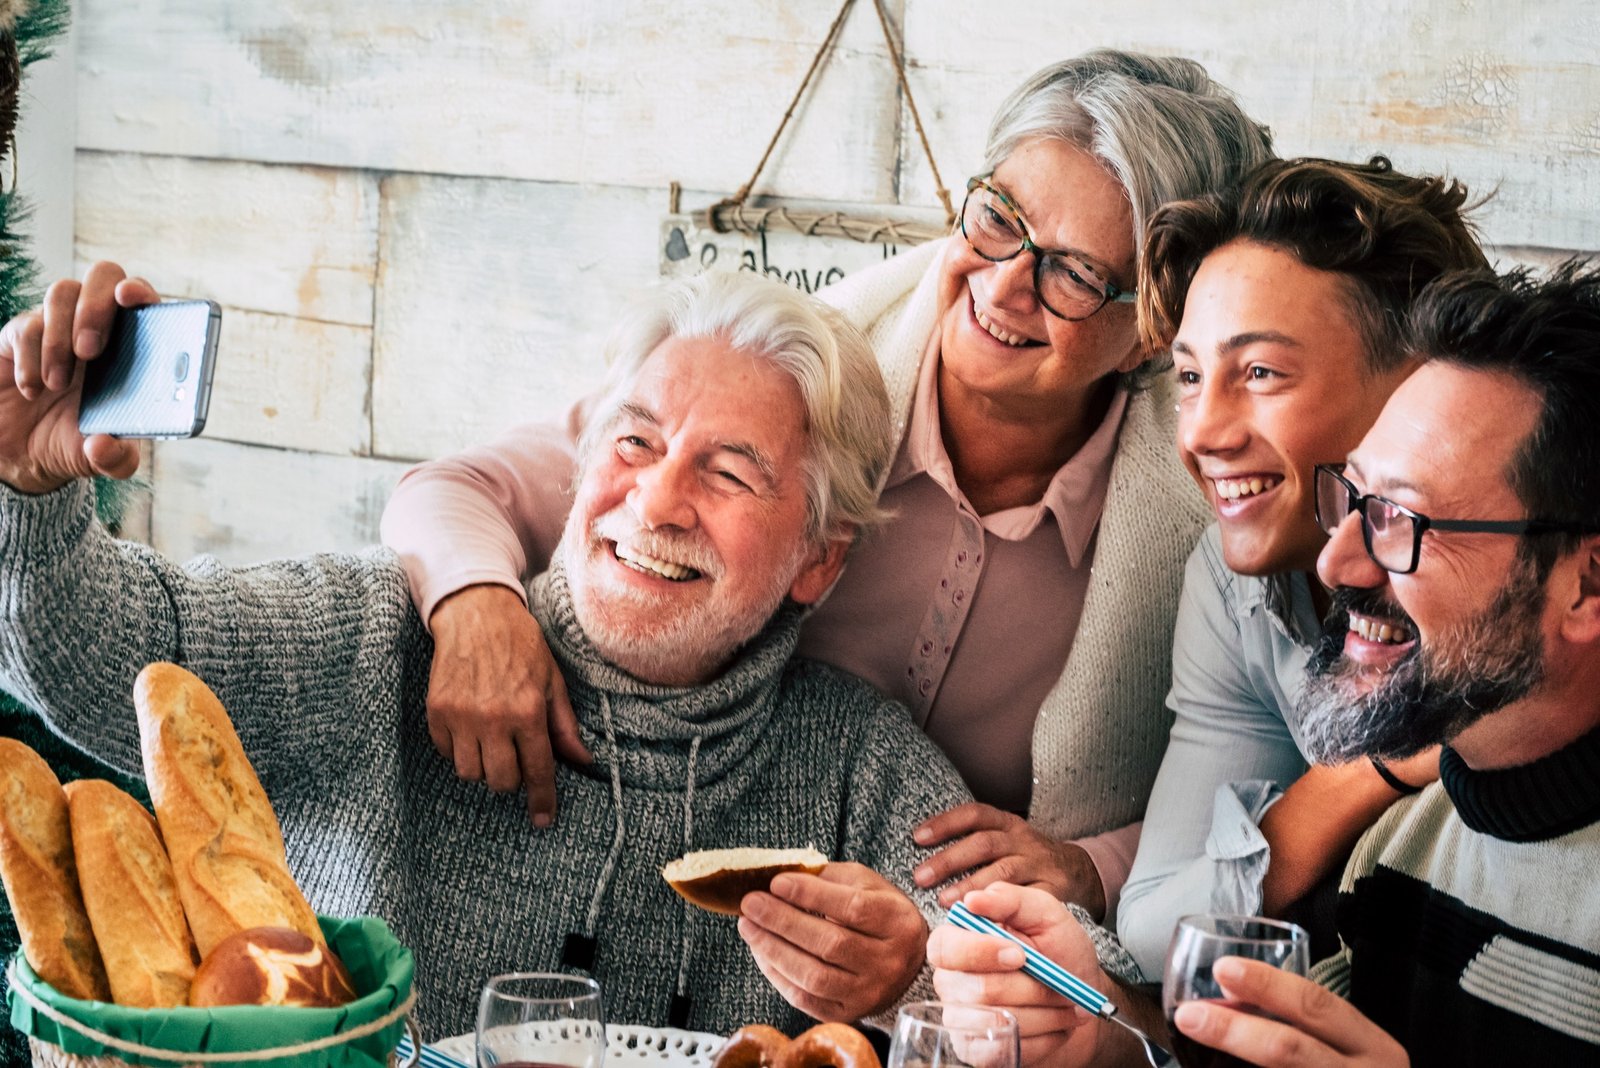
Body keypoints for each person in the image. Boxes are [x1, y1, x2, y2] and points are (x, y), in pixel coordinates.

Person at [379, 50, 1276, 926]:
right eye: (998, 217)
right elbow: (462, 489)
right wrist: (478, 605)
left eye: (1075, 273)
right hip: (694, 921)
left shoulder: (1210, 510)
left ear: (1158, 329)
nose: (1003, 286)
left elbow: (1260, 784)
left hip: (967, 972)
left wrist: (1096, 867)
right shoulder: (801, 373)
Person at [0, 268, 975, 1039]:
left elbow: (1059, 983)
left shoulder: (855, 763)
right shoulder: (376, 637)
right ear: (584, 459)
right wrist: (24, 487)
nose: (658, 503)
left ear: (818, 558)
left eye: (727, 473)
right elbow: (104, 655)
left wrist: (913, 978)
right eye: (635, 443)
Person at [926, 262, 1600, 1067]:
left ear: (1586, 583)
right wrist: (1102, 1033)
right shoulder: (1395, 853)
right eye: (1351, 501)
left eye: (1402, 522)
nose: (1337, 566)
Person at [1114, 156, 1489, 976]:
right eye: (1188, 376)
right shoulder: (1234, 580)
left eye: (1258, 373)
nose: (1203, 432)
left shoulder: (1516, 585)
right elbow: (1153, 931)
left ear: (1420, 384)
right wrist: (1365, 774)